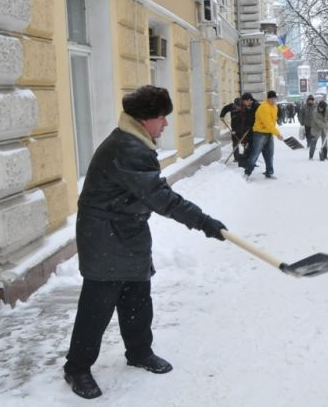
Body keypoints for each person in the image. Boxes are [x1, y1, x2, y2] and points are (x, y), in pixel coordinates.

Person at [63, 85, 227, 399]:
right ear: (146, 119)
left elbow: (149, 195)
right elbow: (161, 198)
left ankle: (139, 352)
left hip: (127, 230)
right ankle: (77, 368)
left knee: (137, 296)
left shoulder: (134, 141)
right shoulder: (129, 149)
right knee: (97, 306)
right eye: (162, 117)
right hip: (104, 235)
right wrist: (204, 222)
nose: (166, 124)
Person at [243, 90, 284, 179]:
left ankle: (269, 172)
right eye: (271, 99)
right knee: (255, 153)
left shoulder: (274, 107)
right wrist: (277, 134)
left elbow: (273, 120)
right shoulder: (264, 107)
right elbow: (268, 123)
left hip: (269, 133)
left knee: (269, 153)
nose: (273, 100)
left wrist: (278, 121)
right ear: (268, 99)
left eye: (274, 99)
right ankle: (247, 173)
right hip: (260, 133)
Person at [220, 97, 249, 166]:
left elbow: (244, 122)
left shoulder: (244, 109)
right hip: (234, 127)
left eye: (239, 106)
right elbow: (225, 109)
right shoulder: (231, 106)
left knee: (245, 144)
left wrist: (236, 131)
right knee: (235, 143)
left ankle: (246, 157)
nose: (238, 107)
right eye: (236, 106)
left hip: (243, 129)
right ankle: (236, 158)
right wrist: (222, 116)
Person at [298, 95, 317, 159]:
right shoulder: (304, 107)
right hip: (306, 123)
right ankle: (309, 143)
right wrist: (301, 121)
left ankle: (312, 145)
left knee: (313, 134)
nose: (310, 101)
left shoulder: (315, 107)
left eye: (311, 100)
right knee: (307, 134)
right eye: (309, 100)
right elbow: (300, 115)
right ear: (307, 100)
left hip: (313, 124)